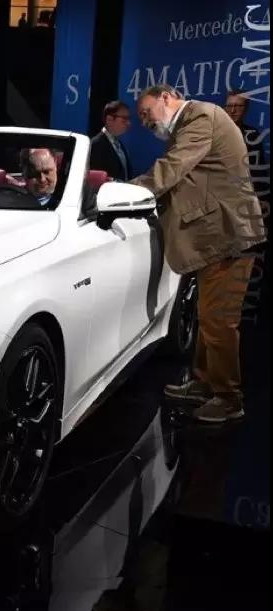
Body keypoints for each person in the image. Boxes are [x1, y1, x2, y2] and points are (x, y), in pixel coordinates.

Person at [131, 84, 266, 423]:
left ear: (166, 97)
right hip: (216, 237)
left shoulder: (200, 116)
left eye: (147, 112)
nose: (145, 122)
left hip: (227, 236)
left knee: (219, 322)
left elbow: (172, 168)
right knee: (209, 318)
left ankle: (228, 399)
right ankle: (205, 384)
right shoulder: (192, 122)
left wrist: (127, 191)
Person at [224, 90, 267, 192]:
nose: (232, 110)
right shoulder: (212, 133)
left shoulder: (252, 135)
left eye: (238, 106)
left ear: (246, 108)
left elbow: (258, 171)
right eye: (229, 106)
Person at [90, 100, 133, 181]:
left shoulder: (119, 144)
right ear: (109, 119)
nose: (129, 123)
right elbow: (95, 179)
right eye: (124, 119)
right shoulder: (96, 145)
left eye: (129, 119)